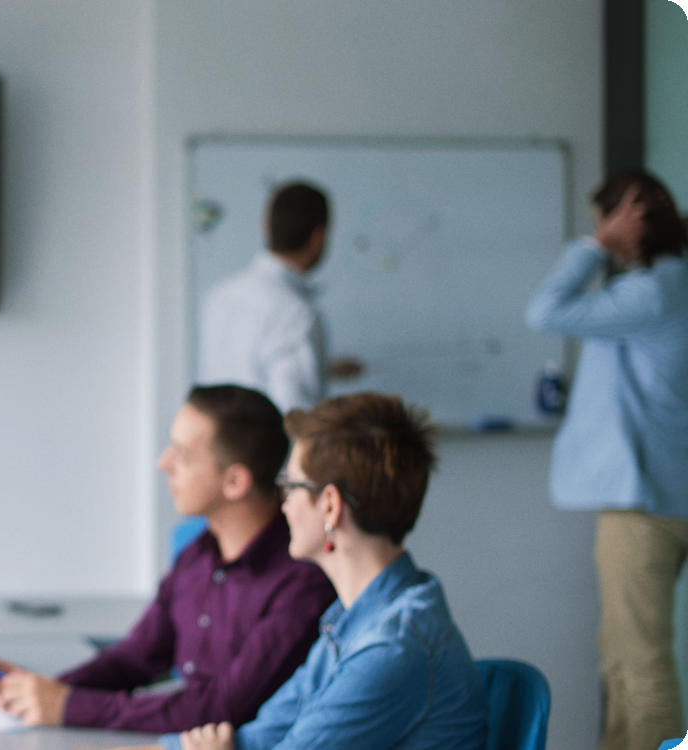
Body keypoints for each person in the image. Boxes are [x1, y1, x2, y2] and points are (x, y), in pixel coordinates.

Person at [0, 385, 333, 733]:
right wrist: (39, 691)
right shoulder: (198, 556)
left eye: (182, 455)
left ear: (235, 482)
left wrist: (70, 705)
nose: (163, 463)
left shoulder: (301, 580)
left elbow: (222, 709)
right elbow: (135, 658)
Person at [163, 393, 487, 750]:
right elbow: (253, 738)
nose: (283, 502)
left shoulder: (390, 648)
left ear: (330, 506)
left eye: (291, 485)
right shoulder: (352, 619)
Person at [524, 171, 688, 750]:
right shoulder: (666, 289)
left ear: (633, 217)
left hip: (641, 501)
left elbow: (545, 311)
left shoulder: (650, 293)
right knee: (620, 653)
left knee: (639, 661)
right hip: (658, 492)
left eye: (605, 218)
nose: (599, 230)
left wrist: (595, 248)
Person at [198, 181, 360, 413]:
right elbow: (294, 413)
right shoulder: (297, 313)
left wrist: (321, 369)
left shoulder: (219, 296)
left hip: (218, 444)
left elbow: (243, 372)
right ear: (318, 236)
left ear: (265, 225)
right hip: (266, 448)